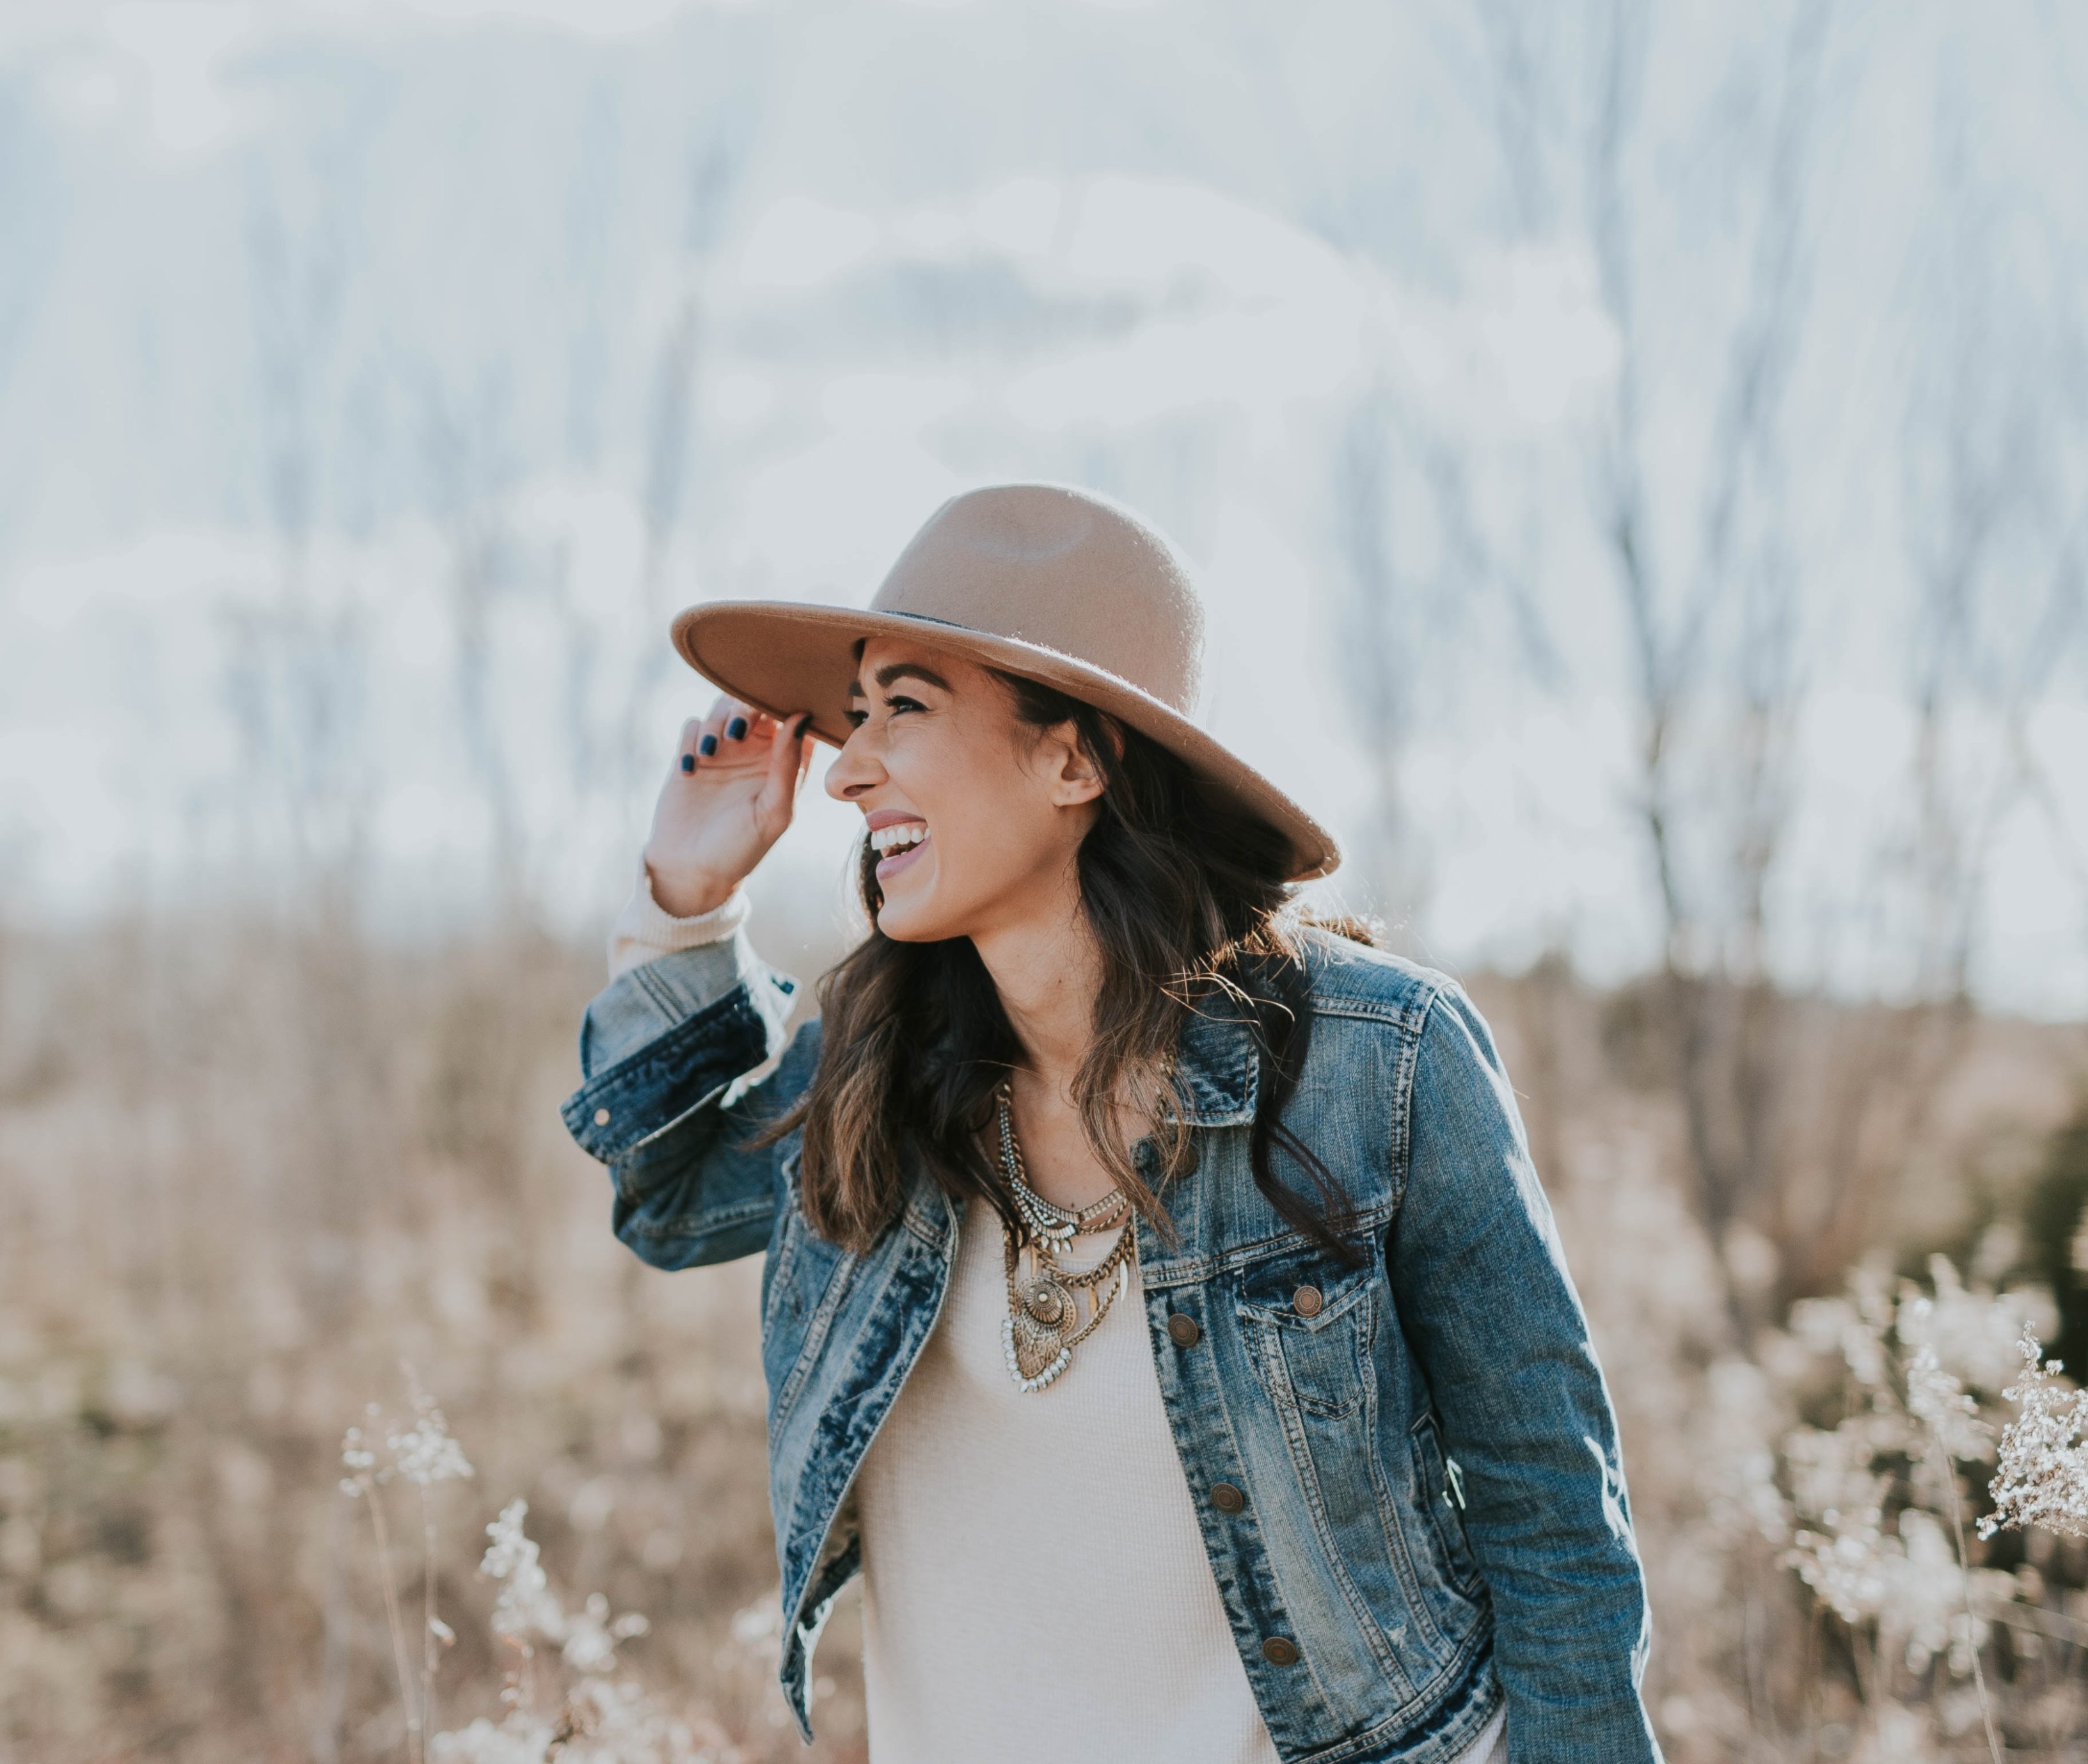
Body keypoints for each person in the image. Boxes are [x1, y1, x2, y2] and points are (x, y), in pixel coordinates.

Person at [564, 482, 1660, 1764]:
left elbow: (1553, 1504)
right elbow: (671, 1196)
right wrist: (682, 904)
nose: (850, 770)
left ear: (1072, 757)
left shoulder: (1380, 1059)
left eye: (903, 708)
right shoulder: (874, 1067)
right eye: (852, 717)